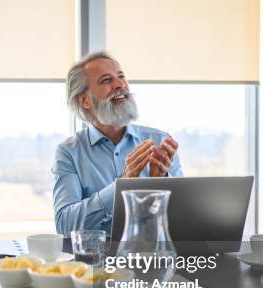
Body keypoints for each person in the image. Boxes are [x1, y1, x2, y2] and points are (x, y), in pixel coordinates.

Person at [52, 52, 183, 235]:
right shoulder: (69, 152)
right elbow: (65, 223)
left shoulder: (160, 142)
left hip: (150, 254)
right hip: (94, 260)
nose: (120, 85)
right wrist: (121, 186)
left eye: (121, 77)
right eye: (106, 80)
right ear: (84, 100)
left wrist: (157, 183)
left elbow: (183, 219)